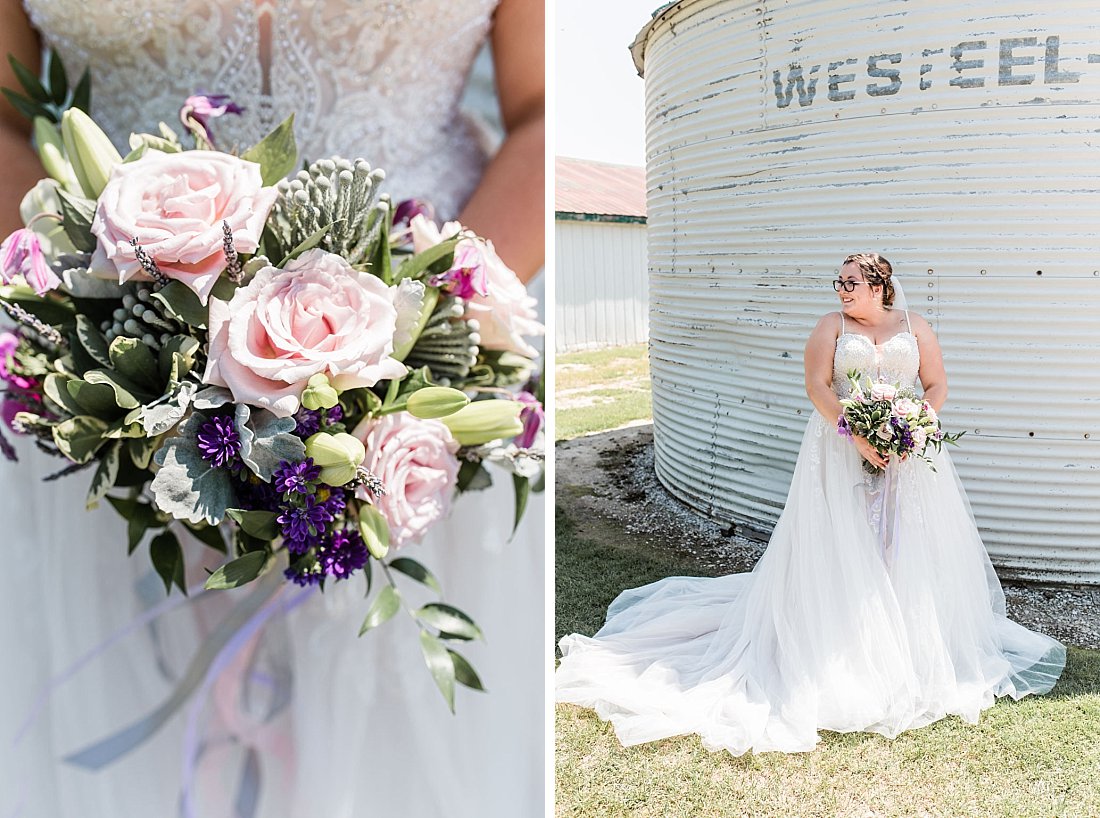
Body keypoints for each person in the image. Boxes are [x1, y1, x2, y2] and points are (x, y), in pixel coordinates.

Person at [0, 1, 545, 816]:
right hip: (105, 393)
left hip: (421, 399)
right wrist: (99, 332)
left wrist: (417, 337)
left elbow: (541, 110)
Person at [557, 253, 1065, 755]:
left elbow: (936, 384)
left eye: (852, 282)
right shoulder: (831, 327)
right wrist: (858, 435)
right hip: (838, 450)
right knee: (843, 538)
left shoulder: (915, 324)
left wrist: (914, 423)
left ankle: (910, 642)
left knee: (905, 541)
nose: (842, 290)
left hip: (909, 457)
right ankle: (841, 639)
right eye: (839, 282)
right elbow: (817, 386)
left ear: (880, 285)